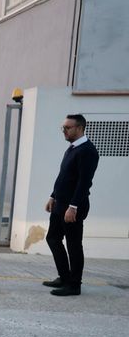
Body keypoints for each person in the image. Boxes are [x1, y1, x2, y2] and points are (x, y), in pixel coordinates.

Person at [44, 114, 100, 297]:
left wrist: (73, 206)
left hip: (73, 207)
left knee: (73, 244)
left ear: (80, 128)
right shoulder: (72, 149)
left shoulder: (87, 151)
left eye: (67, 128)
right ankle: (64, 277)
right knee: (52, 238)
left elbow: (84, 182)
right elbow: (64, 176)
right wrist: (52, 196)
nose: (64, 131)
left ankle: (74, 285)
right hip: (60, 204)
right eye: (63, 128)